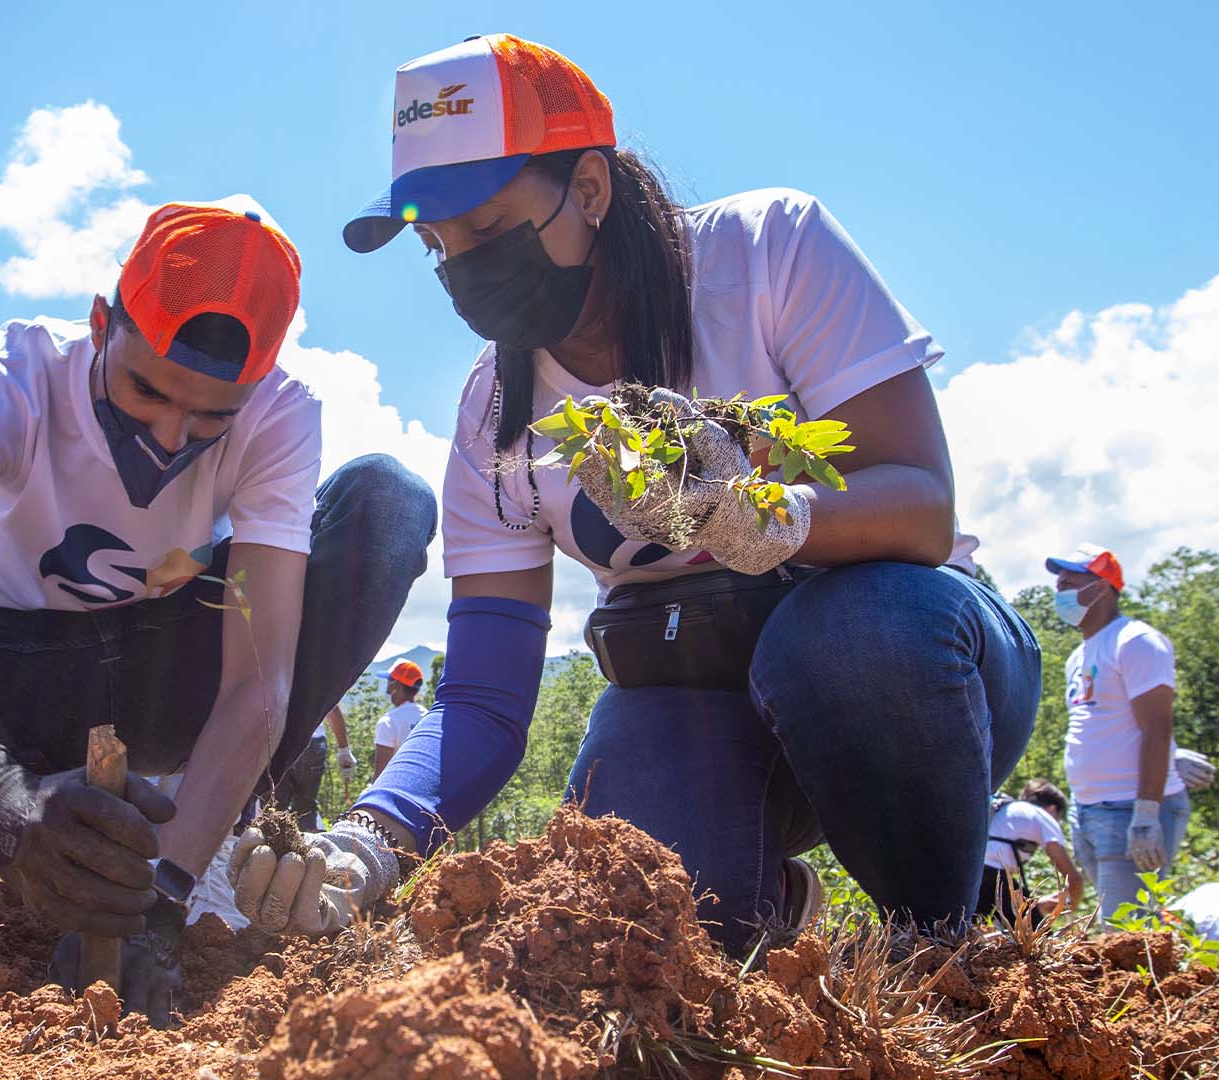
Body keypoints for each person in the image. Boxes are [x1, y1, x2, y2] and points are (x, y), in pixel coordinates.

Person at [228, 34, 1041, 956]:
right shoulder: (493, 419)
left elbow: (922, 504)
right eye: (435, 245)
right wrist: (370, 840)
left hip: (911, 667)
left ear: (587, 188)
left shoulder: (766, 253)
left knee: (846, 636)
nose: (461, 265)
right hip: (694, 696)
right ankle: (770, 899)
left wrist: (771, 523)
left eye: (487, 229)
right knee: (630, 933)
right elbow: (486, 696)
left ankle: (943, 938)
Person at [0, 196, 436, 1020]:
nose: (170, 435)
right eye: (146, 390)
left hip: (178, 667)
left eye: (210, 417)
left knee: (387, 502)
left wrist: (159, 896)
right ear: (100, 321)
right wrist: (5, 804)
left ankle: (202, 828)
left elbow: (258, 679)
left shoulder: (280, 416)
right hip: (23, 683)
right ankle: (57, 820)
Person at [1047, 543, 1189, 921]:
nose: (1060, 593)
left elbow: (1156, 727)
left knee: (1122, 932)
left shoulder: (1136, 642)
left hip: (1128, 808)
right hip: (1088, 809)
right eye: (1058, 585)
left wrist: (1146, 813)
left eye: (1069, 583)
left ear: (1101, 587)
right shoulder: (1080, 656)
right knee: (1124, 927)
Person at [977, 779, 1084, 927]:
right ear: (1053, 809)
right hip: (993, 876)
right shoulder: (1042, 816)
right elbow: (1073, 878)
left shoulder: (1008, 810)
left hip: (971, 871)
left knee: (974, 933)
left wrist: (1036, 906)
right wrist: (1072, 907)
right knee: (1039, 939)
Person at [277, 705, 355, 831]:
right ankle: (306, 845)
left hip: (280, 738)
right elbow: (332, 707)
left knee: (274, 804)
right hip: (313, 742)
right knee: (306, 806)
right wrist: (344, 749)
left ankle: (270, 845)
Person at [370, 660, 425, 781]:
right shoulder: (427, 716)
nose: (387, 687)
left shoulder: (389, 721)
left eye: (389, 681)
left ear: (397, 685)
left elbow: (381, 771)